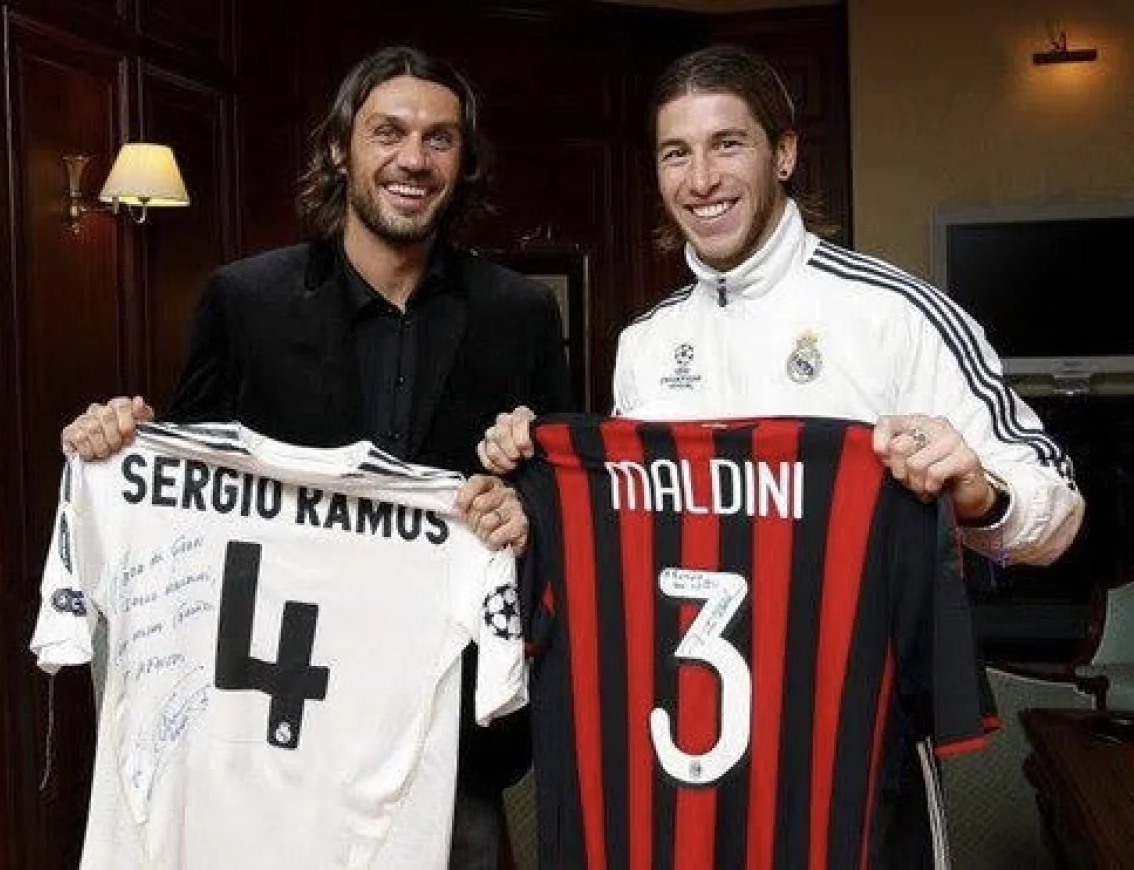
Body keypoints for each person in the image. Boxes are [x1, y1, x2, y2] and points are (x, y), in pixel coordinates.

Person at [475, 43, 1084, 866]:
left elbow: (1057, 512)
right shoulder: (647, 342)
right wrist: (532, 503)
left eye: (727, 144)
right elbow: (627, 540)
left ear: (785, 152)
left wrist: (980, 492)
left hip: (851, 749)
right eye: (676, 153)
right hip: (686, 753)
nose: (701, 179)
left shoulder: (896, 314)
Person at [60, 45, 573, 869]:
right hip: (272, 729)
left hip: (445, 743)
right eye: (388, 132)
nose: (414, 159)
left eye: (440, 138)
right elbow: (189, 493)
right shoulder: (245, 301)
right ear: (340, 148)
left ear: (463, 161)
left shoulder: (520, 314)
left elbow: (557, 507)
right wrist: (119, 443)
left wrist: (522, 510)